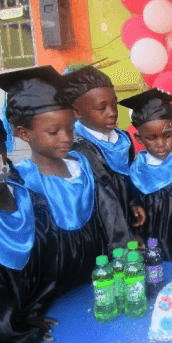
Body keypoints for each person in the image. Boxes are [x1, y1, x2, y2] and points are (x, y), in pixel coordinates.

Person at [0, 66, 126, 292]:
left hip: (100, 281)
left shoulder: (84, 166)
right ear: (24, 133)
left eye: (71, 128)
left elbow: (111, 217)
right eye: (54, 132)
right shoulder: (22, 182)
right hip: (53, 294)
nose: (66, 138)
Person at [0, 105, 59, 343]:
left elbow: (51, 268)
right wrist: (14, 338)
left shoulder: (33, 202)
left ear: (4, 150)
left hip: (46, 325)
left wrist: (36, 312)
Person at [62, 66, 146, 246]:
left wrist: (133, 201)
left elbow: (128, 179)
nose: (112, 112)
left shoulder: (123, 140)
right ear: (77, 112)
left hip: (128, 225)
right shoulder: (78, 151)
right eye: (102, 108)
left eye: (114, 104)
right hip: (103, 235)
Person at [121, 88, 172, 262]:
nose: (161, 144)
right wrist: (135, 235)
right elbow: (129, 213)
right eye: (151, 138)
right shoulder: (132, 173)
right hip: (149, 252)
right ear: (139, 138)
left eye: (167, 135)